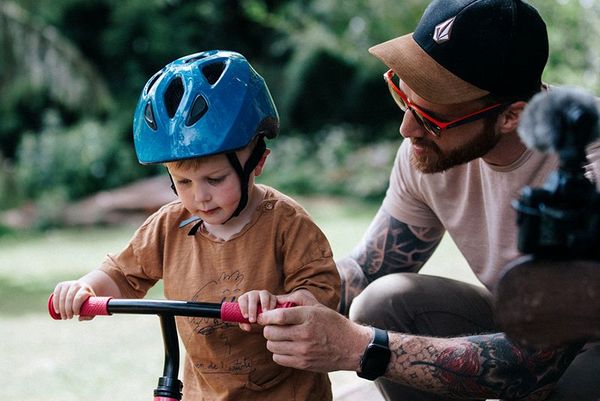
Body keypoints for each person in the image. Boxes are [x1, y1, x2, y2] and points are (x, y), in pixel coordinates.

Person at [256, 1, 600, 400]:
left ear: (511, 116)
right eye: (404, 97)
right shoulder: (431, 151)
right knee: (384, 302)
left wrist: (360, 347)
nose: (407, 129)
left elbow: (533, 364)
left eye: (432, 119)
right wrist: (294, 298)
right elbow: (371, 266)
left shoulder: (587, 170)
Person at [51, 50, 340, 401]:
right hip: (201, 394)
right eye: (183, 183)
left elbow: (321, 296)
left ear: (258, 162)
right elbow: (122, 275)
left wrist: (280, 303)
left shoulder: (286, 223)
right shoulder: (170, 225)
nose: (199, 197)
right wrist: (85, 289)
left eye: (215, 179)